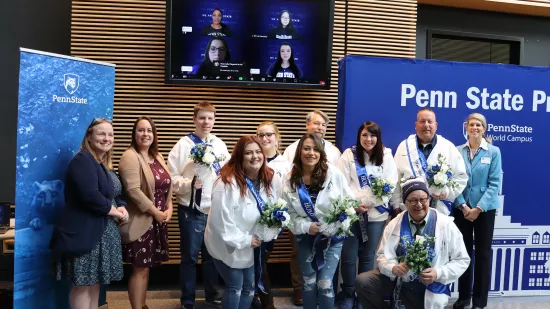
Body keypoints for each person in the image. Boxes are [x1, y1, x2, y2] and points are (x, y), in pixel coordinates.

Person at [355, 177, 470, 309]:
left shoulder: (446, 225)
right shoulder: (394, 224)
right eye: (413, 200)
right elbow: (382, 256)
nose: (419, 204)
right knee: (364, 282)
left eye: (423, 199)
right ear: (405, 202)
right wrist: (392, 268)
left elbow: (462, 260)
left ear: (429, 200)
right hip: (398, 280)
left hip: (429, 284)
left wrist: (438, 273)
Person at [50, 118, 128, 309]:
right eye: (101, 134)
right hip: (85, 234)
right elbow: (90, 196)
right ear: (89, 136)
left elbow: (116, 192)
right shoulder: (82, 160)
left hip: (103, 233)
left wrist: (122, 206)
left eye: (110, 134)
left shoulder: (102, 163)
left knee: (95, 284)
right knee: (83, 285)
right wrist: (115, 213)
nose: (107, 138)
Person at [204, 136, 283, 309]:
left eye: (257, 152)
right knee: (235, 287)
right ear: (239, 157)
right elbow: (220, 221)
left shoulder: (269, 179)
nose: (255, 156)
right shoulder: (225, 182)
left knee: (249, 287)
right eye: (248, 153)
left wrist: (270, 229)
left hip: (251, 243)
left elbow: (274, 208)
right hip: (226, 243)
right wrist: (245, 240)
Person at [167, 101, 230, 309]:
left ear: (214, 120)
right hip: (191, 209)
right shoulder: (182, 145)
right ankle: (187, 300)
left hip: (214, 209)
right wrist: (190, 184)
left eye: (210, 118)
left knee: (212, 255)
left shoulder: (219, 144)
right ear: (194, 119)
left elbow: (227, 174)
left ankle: (213, 295)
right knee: (190, 258)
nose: (206, 122)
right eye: (202, 118)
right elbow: (172, 178)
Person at [284, 134, 354, 309]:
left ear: (321, 153)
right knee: (308, 282)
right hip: (305, 237)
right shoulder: (290, 179)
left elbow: (349, 205)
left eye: (315, 149)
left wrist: (333, 226)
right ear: (299, 151)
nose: (311, 153)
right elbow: (287, 214)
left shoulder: (334, 174)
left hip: (332, 238)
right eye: (306, 148)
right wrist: (306, 226)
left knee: (324, 283)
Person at [336, 121, 398, 309]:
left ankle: (362, 295)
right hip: (351, 214)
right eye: (364, 135)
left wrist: (368, 203)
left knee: (368, 256)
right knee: (348, 256)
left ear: (378, 138)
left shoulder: (386, 156)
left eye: (372, 135)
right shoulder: (349, 155)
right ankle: (348, 293)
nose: (368, 139)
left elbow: (390, 185)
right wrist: (354, 204)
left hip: (376, 216)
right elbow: (341, 184)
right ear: (359, 136)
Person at [118, 117, 173, 309]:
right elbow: (133, 191)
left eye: (149, 130)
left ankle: (142, 305)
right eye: (141, 130)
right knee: (139, 269)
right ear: (134, 133)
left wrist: (169, 208)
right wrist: (156, 212)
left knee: (146, 268)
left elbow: (167, 186)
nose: (145, 134)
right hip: (141, 222)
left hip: (157, 220)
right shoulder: (129, 156)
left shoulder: (156, 156)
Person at [452, 113, 503, 309]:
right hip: (462, 209)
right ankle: (463, 297)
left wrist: (478, 208)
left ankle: (479, 302)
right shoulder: (457, 152)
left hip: (485, 210)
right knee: (463, 254)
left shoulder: (493, 152)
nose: (474, 127)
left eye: (478, 125)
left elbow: (494, 184)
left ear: (484, 129)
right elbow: (453, 182)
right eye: (471, 124)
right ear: (466, 127)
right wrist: (464, 206)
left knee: (482, 254)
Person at [391, 108, 468, 215]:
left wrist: (446, 193)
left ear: (436, 125)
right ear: (416, 125)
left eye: (430, 122)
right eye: (422, 121)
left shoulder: (448, 147)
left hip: (439, 209)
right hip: (409, 209)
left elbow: (461, 177)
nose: (426, 125)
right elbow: (395, 179)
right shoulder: (404, 147)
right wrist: (396, 205)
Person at [250, 121, 292, 309]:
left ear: (277, 138)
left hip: (269, 223)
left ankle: (267, 303)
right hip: (249, 221)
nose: (265, 138)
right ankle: (255, 298)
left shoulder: (285, 165)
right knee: (252, 263)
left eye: (269, 135)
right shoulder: (250, 161)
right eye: (260, 135)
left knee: (259, 262)